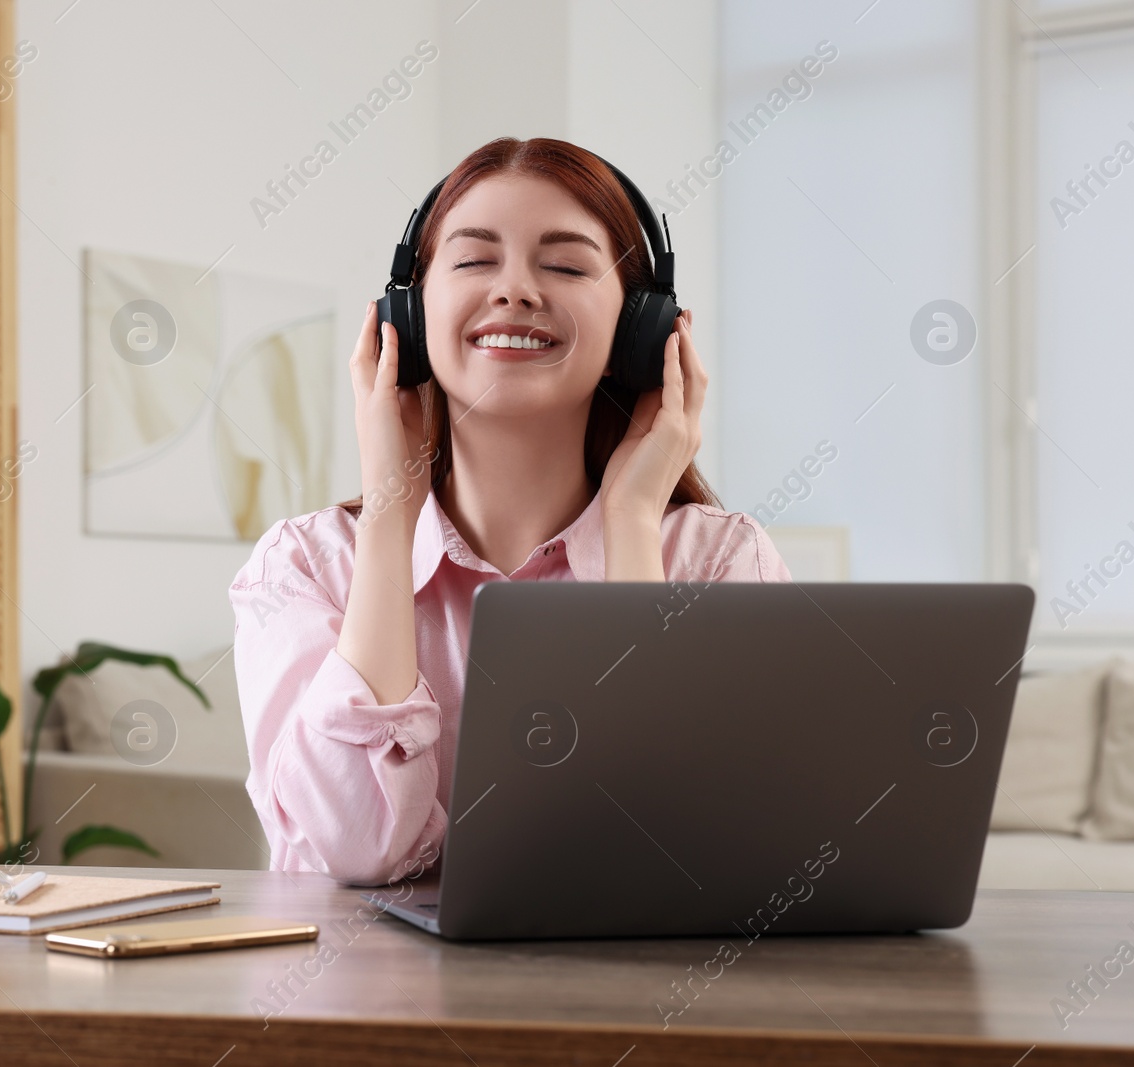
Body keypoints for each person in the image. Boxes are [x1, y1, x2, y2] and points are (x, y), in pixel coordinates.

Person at [229, 137, 793, 887]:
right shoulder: (304, 566)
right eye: (472, 261)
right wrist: (390, 514)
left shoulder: (721, 563)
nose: (516, 290)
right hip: (361, 998)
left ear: (644, 327)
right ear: (408, 314)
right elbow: (353, 848)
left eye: (564, 264)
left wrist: (630, 524)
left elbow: (677, 845)